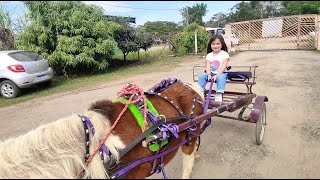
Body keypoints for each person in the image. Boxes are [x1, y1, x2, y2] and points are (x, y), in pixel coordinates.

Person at [198, 34, 230, 102]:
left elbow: (224, 67)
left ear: (222, 44)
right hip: (211, 73)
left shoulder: (224, 54)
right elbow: (208, 67)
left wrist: (217, 75)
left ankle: (219, 93)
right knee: (202, 76)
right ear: (210, 45)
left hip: (221, 73)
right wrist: (209, 74)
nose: (215, 46)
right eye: (213, 44)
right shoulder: (209, 55)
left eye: (218, 44)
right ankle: (200, 91)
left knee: (221, 77)